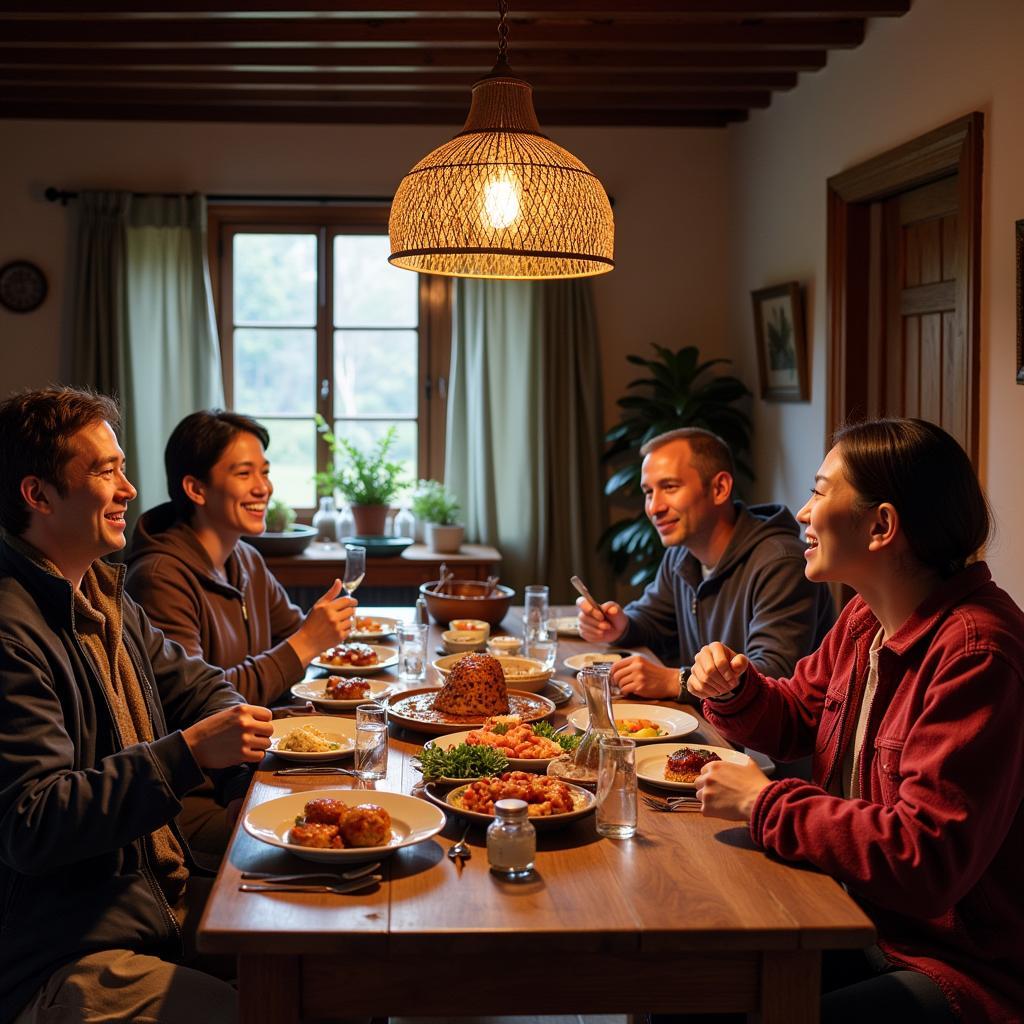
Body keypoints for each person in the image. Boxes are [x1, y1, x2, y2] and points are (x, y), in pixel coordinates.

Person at [689, 418, 1023, 1023]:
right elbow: (795, 717)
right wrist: (737, 691)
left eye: (819, 491)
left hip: (950, 968)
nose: (800, 511)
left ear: (881, 526)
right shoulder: (865, 620)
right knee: (686, 984)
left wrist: (765, 805)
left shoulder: (976, 654)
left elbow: (926, 860)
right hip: (855, 918)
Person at [0, 387, 274, 1024]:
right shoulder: (13, 633)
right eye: (104, 471)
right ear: (37, 496)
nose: (128, 489)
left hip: (154, 901)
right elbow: (32, 823)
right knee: (267, 1008)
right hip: (66, 951)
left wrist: (235, 775)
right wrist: (185, 755)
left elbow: (203, 686)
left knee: (329, 954)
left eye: (122, 467)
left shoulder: (102, 592)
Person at [125, 410, 357, 855]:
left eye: (265, 472)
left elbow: (297, 637)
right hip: (195, 803)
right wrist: (306, 644)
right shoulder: (158, 577)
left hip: (255, 769)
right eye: (244, 473)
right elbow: (204, 708)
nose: (263, 487)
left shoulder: (245, 558)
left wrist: (331, 645)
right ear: (195, 488)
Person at [577, 427, 834, 702]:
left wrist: (676, 681)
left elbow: (772, 676)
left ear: (719, 488)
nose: (653, 507)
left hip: (764, 743)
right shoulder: (682, 554)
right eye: (649, 492)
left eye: (669, 487)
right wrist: (621, 626)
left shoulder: (782, 562)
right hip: (713, 726)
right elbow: (653, 621)